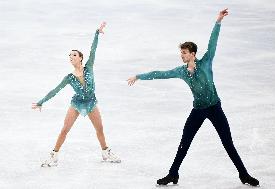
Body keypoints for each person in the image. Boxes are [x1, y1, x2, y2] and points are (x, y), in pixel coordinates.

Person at [127, 9, 259, 186]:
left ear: (193, 54)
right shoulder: (181, 71)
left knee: (227, 142)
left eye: (184, 53)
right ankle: (173, 174)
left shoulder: (206, 62)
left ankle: (244, 175)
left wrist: (218, 21)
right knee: (185, 142)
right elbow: (161, 73)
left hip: (214, 107)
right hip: (198, 110)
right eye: (181, 52)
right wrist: (139, 76)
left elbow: (213, 42)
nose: (181, 55)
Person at [32, 22, 121, 167]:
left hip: (91, 102)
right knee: (65, 129)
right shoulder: (69, 77)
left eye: (74, 54)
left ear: (80, 58)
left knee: (99, 129)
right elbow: (55, 90)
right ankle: (54, 155)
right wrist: (41, 101)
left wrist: (97, 33)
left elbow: (93, 50)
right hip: (77, 103)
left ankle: (106, 152)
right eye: (69, 55)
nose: (71, 56)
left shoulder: (89, 67)